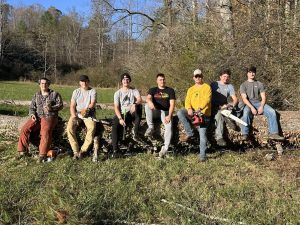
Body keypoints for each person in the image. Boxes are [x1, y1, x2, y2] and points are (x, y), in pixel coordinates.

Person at [17, 77, 63, 162]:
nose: (44, 85)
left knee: (45, 132)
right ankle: (23, 152)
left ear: (48, 84)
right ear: (39, 85)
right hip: (37, 117)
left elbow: (60, 105)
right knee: (24, 129)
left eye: (45, 83)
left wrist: (51, 108)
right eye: (42, 83)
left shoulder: (54, 94)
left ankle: (42, 155)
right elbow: (31, 107)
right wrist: (32, 114)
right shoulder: (36, 95)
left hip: (49, 116)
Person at [240, 66, 284, 141]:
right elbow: (244, 99)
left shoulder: (259, 84)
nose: (252, 74)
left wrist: (261, 106)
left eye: (253, 72)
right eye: (250, 72)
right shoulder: (243, 85)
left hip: (258, 102)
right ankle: (245, 134)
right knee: (246, 113)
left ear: (255, 73)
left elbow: (263, 98)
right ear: (247, 74)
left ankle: (273, 133)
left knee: (272, 112)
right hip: (248, 103)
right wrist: (251, 107)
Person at [177, 69, 212, 161]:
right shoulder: (191, 89)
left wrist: (200, 108)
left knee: (202, 134)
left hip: (203, 114)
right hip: (192, 113)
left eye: (199, 76)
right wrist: (188, 108)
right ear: (193, 78)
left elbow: (207, 100)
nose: (198, 78)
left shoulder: (207, 87)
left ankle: (202, 156)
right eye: (196, 76)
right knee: (180, 112)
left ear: (202, 77)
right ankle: (189, 132)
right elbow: (187, 100)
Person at [145, 73, 176, 158]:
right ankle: (150, 127)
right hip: (155, 111)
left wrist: (169, 115)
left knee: (169, 126)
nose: (162, 81)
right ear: (157, 81)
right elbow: (147, 98)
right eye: (160, 80)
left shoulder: (170, 90)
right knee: (147, 105)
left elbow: (172, 104)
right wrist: (150, 102)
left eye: (163, 79)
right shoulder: (153, 90)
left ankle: (165, 148)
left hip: (165, 113)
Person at [67, 75, 97, 159]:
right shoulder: (76, 92)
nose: (84, 83)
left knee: (91, 128)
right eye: (82, 81)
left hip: (89, 114)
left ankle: (83, 151)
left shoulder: (92, 91)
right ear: (80, 83)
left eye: (86, 81)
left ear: (88, 81)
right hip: (77, 113)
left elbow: (93, 103)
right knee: (69, 128)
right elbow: (72, 106)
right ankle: (75, 151)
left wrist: (86, 110)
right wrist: (74, 116)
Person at [111, 73, 142, 156]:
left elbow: (139, 99)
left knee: (139, 107)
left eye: (127, 79)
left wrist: (134, 104)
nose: (126, 81)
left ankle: (135, 132)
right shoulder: (117, 93)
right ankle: (115, 150)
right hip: (123, 113)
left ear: (130, 81)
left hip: (132, 112)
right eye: (124, 79)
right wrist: (120, 118)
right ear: (121, 81)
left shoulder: (134, 91)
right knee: (115, 125)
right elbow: (116, 107)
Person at [211, 68, 238, 146]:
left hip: (225, 107)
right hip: (214, 107)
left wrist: (232, 105)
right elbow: (208, 97)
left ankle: (229, 119)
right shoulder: (214, 84)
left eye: (227, 77)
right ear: (220, 76)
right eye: (224, 76)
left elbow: (235, 99)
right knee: (219, 115)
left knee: (227, 110)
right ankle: (219, 138)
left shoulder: (230, 86)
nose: (226, 78)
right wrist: (219, 106)